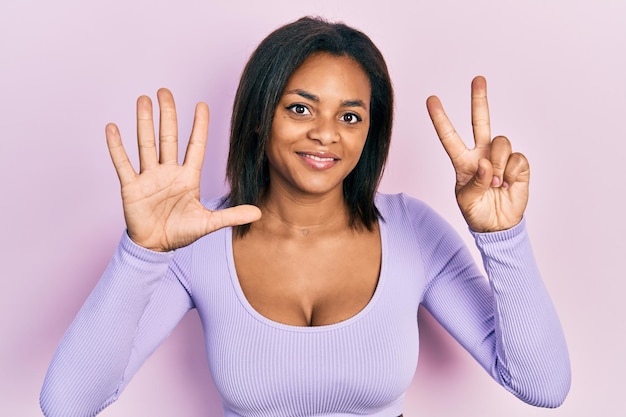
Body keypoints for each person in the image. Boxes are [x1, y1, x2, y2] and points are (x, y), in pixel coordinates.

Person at [40, 16, 571, 417]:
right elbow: (68, 403)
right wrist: (143, 253)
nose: (326, 133)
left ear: (370, 133)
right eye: (300, 108)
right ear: (258, 116)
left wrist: (503, 238)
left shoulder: (413, 232)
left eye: (350, 115)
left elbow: (542, 384)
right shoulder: (199, 240)